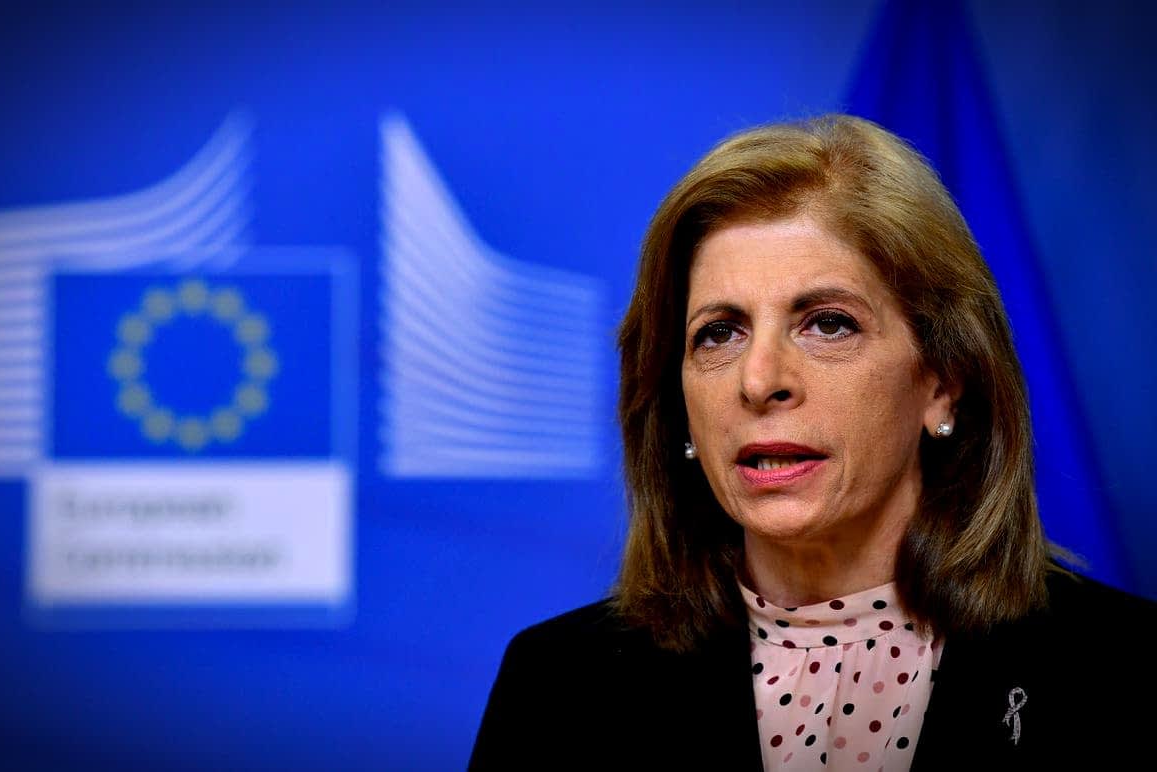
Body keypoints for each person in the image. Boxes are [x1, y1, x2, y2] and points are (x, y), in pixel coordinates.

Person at [467, 115, 1156, 770]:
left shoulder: (1120, 674)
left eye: (827, 324)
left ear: (943, 382)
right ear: (678, 409)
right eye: (719, 333)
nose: (759, 380)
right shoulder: (557, 686)